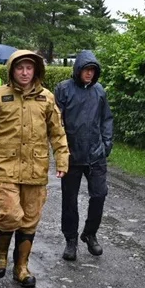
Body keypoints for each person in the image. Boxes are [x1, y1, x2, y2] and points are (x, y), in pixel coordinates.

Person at [0, 50, 69, 288]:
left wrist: (62, 159)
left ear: (36, 71)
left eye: (29, 68)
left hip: (36, 169)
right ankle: (0, 253)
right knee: (11, 214)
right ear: (12, 70)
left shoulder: (47, 98)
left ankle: (21, 267)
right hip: (6, 167)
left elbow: (57, 132)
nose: (24, 73)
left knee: (29, 220)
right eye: (19, 68)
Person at [53, 50, 114, 261]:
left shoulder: (99, 92)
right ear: (78, 69)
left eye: (93, 70)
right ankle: (70, 240)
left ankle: (90, 233)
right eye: (86, 69)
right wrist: (59, 148)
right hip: (71, 155)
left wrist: (106, 144)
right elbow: (55, 120)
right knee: (69, 200)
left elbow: (107, 119)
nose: (89, 74)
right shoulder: (63, 89)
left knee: (99, 194)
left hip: (95, 154)